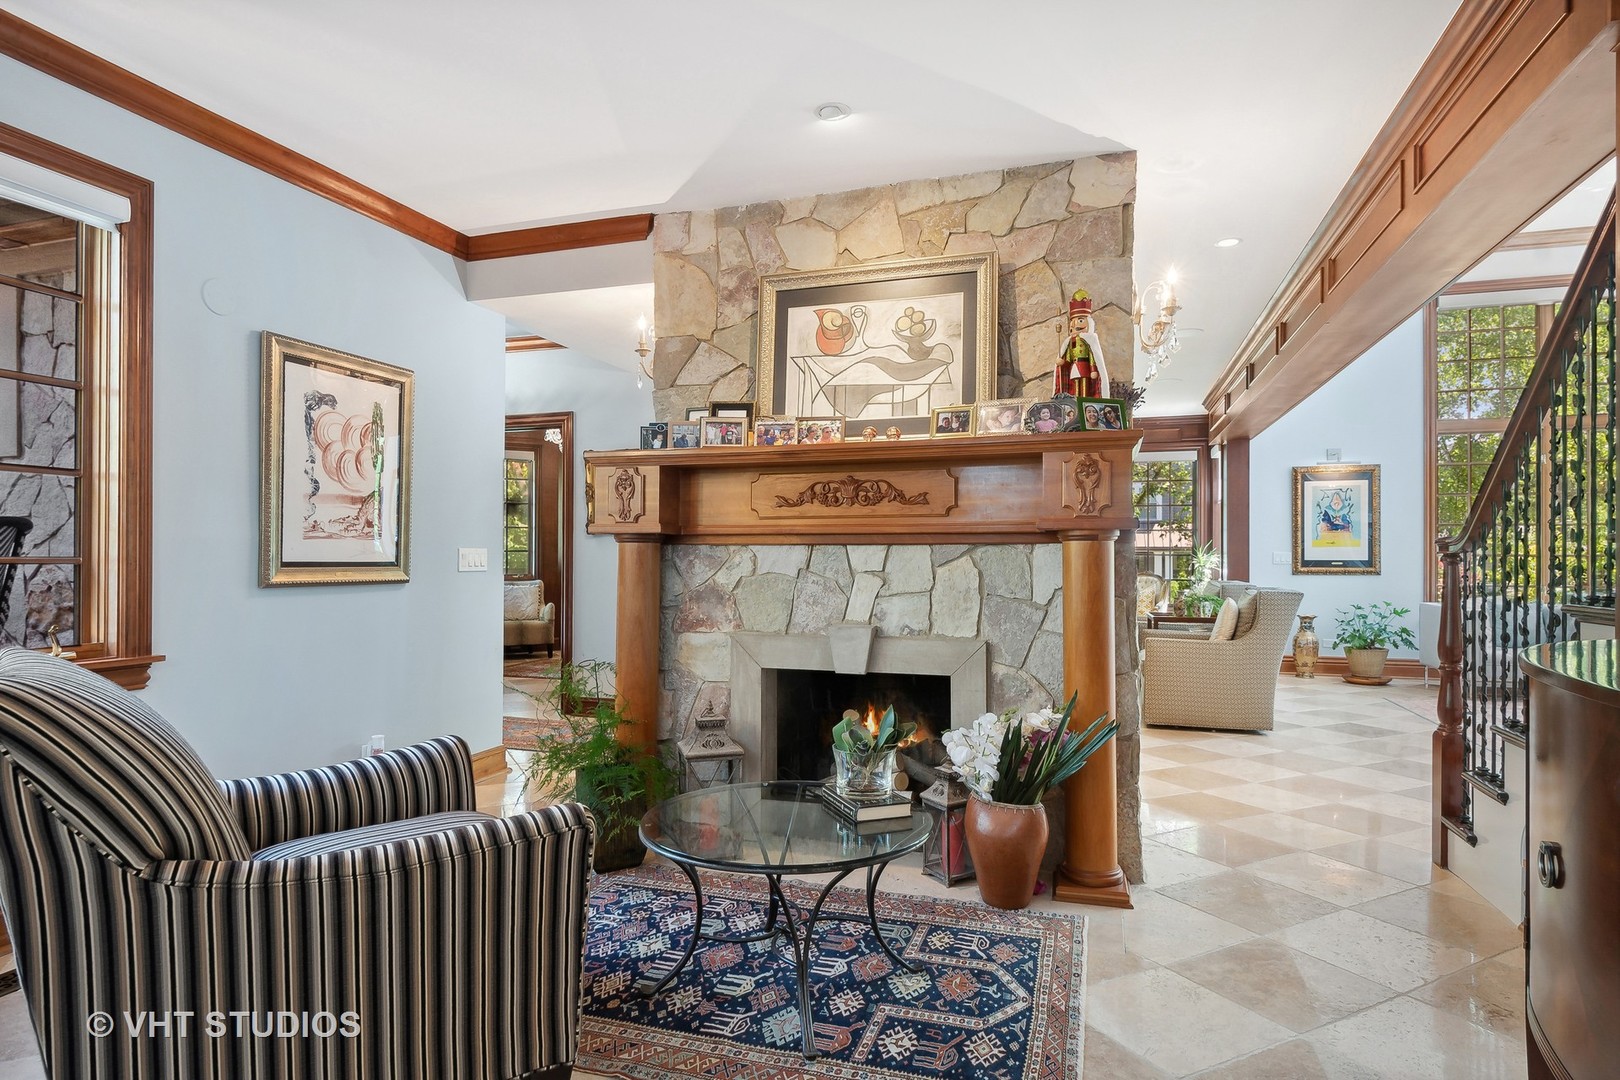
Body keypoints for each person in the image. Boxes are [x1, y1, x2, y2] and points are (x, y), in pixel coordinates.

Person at [1054, 289, 1109, 399]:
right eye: (1072, 322)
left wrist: (1093, 369)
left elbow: (1093, 356)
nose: (1075, 324)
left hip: (1085, 368)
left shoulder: (1089, 340)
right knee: (1075, 389)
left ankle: (1084, 402)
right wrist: (1062, 362)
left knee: (1085, 388)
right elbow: (1069, 359)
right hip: (1074, 368)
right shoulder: (1069, 342)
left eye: (1079, 320)